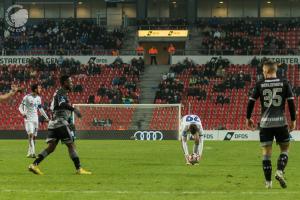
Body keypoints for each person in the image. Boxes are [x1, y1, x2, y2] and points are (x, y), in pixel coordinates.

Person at [246, 60, 296, 189]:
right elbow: (291, 103)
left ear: (266, 71)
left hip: (265, 124)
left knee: (266, 153)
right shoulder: (285, 83)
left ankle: (268, 184)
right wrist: (293, 120)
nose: (262, 72)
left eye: (263, 70)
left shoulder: (259, 84)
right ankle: (279, 171)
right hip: (281, 122)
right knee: (285, 150)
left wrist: (248, 118)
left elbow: (251, 102)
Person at [28, 75, 91, 175]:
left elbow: (59, 107)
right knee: (71, 145)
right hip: (60, 122)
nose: (71, 83)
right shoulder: (61, 92)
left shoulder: (59, 92)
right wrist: (74, 109)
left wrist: (69, 121)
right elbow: (62, 104)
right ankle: (79, 169)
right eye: (70, 82)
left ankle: (34, 165)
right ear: (65, 83)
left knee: (51, 147)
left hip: (53, 123)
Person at [19, 84, 49, 158]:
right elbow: (20, 107)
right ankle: (33, 153)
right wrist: (23, 113)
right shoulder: (27, 97)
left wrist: (47, 117)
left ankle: (29, 152)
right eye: (39, 88)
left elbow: (40, 109)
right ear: (35, 89)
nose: (40, 89)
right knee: (30, 135)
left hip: (36, 119)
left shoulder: (39, 98)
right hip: (28, 119)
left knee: (34, 137)